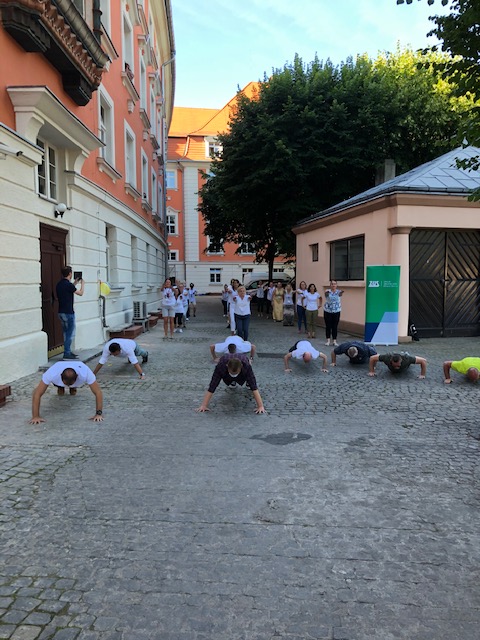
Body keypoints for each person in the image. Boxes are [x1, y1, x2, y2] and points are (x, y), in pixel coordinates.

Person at [29, 361, 103, 424]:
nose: (67, 385)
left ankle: (73, 388)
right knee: (60, 390)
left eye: (70, 384)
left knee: (73, 391)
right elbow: (37, 393)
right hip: (58, 378)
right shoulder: (52, 373)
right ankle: (60, 387)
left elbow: (98, 392)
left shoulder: (85, 372)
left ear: (77, 377)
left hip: (76, 379)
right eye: (65, 383)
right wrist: (35, 416)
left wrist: (98, 414)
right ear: (60, 376)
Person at [196, 354, 266, 414]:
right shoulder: (220, 366)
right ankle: (232, 381)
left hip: (243, 369)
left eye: (236, 373)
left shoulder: (247, 366)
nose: (234, 374)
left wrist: (260, 406)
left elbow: (254, 387)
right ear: (227, 366)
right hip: (226, 371)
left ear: (241, 367)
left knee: (250, 382)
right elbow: (212, 386)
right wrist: (203, 405)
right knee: (229, 379)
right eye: (232, 373)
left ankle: (246, 381)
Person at [56, 266, 84, 359]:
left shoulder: (59, 284)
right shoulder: (69, 285)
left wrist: (75, 283)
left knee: (65, 333)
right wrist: (82, 284)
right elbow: (80, 293)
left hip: (61, 312)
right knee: (70, 333)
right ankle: (67, 353)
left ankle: (68, 351)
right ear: (70, 273)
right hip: (68, 312)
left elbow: (69, 289)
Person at [323, 280, 343, 346]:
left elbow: (340, 294)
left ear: (336, 285)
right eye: (332, 284)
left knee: (335, 326)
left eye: (334, 284)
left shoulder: (339, 291)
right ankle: (328, 340)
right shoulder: (327, 291)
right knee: (328, 326)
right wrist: (326, 293)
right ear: (330, 285)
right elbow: (326, 295)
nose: (333, 285)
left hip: (336, 311)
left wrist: (341, 293)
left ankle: (334, 340)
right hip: (328, 311)